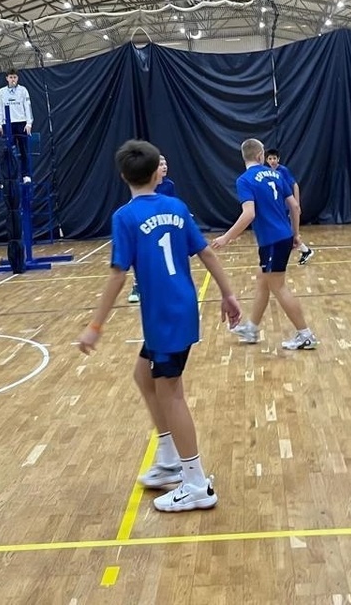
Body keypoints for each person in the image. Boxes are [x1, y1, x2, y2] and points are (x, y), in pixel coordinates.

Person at [77, 140, 241, 512]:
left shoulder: (125, 217)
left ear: (123, 176)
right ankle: (168, 461)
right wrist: (228, 294)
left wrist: (95, 326)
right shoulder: (176, 207)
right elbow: (206, 251)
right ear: (157, 174)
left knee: (171, 394)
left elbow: (118, 275)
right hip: (174, 312)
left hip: (166, 318)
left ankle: (195, 483)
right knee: (143, 375)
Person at [214, 138, 318, 350]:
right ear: (260, 155)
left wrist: (226, 237)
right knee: (263, 280)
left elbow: (249, 214)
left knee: (278, 286)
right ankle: (251, 329)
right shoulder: (276, 174)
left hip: (272, 240)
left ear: (244, 156)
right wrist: (296, 234)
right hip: (282, 236)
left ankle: (305, 334)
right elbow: (294, 206)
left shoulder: (244, 180)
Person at [129, 154, 174, 304]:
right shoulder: (144, 187)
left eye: (165, 163)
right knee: (143, 256)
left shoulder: (169, 185)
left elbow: (170, 204)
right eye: (160, 164)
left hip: (163, 226)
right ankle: (137, 286)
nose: (164, 166)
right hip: (147, 226)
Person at [264, 148, 313, 265]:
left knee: (287, 233)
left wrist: (297, 203)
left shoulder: (283, 171)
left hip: (287, 206)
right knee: (283, 233)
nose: (272, 161)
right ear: (266, 160)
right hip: (277, 206)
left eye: (274, 158)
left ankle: (300, 251)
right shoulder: (266, 172)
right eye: (270, 158)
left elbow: (294, 185)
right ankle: (305, 250)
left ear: (278, 159)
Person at [0, 69, 33, 183]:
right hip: (8, 124)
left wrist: (29, 123)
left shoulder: (23, 90)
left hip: (21, 123)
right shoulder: (1, 92)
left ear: (18, 78)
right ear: (7, 78)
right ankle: (11, 176)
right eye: (11, 77)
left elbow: (27, 107)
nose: (13, 79)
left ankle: (26, 175)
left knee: (24, 150)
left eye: (15, 77)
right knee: (9, 151)